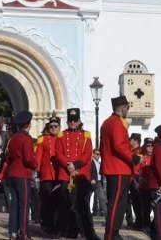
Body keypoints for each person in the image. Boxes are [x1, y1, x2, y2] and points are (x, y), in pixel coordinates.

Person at [54, 107, 97, 240]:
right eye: (70, 120)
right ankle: (66, 231)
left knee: (81, 206)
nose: (72, 122)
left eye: (75, 120)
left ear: (79, 121)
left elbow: (87, 154)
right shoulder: (61, 135)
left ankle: (86, 232)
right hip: (65, 174)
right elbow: (58, 153)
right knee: (65, 205)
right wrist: (68, 165)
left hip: (80, 174)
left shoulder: (86, 135)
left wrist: (75, 165)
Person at [101, 95, 137, 240]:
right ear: (122, 108)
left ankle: (113, 233)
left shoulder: (106, 122)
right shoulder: (116, 123)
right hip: (119, 168)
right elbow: (118, 145)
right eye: (127, 107)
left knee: (116, 203)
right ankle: (110, 235)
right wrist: (133, 157)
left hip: (113, 168)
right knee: (117, 204)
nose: (128, 110)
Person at [3, 110, 37, 239]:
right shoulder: (26, 139)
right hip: (23, 174)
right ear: (28, 124)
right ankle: (23, 232)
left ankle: (12, 231)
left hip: (12, 174)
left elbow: (8, 157)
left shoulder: (12, 139)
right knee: (24, 204)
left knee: (15, 204)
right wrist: (35, 165)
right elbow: (28, 159)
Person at [36, 117, 64, 236]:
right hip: (46, 175)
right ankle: (47, 225)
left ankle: (57, 226)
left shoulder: (63, 139)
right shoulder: (43, 140)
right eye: (51, 127)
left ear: (59, 127)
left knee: (58, 202)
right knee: (47, 202)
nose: (53, 129)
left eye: (55, 126)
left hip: (59, 175)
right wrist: (36, 172)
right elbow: (38, 157)